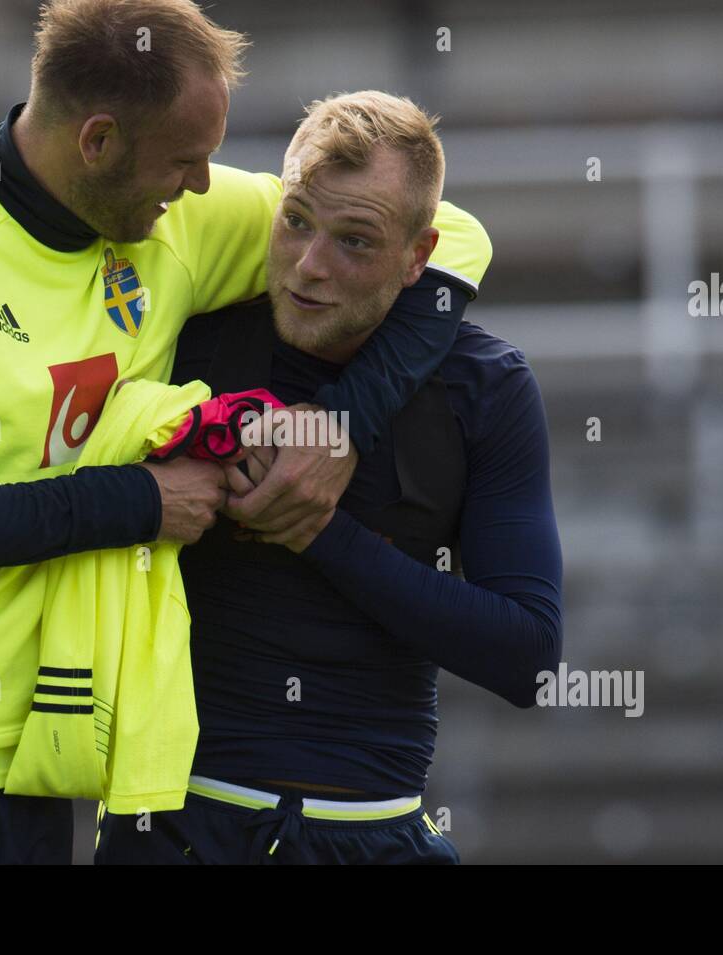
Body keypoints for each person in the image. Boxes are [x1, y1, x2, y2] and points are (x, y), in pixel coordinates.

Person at [0, 0, 490, 864]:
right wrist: (140, 501)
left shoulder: (171, 219)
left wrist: (342, 422)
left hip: (31, 770)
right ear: (96, 143)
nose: (205, 185)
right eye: (186, 160)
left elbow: (451, 238)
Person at [94, 91, 563, 865]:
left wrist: (321, 533)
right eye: (298, 221)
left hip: (381, 831)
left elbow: (529, 657)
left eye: (355, 241)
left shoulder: (486, 384)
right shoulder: (186, 340)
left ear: (420, 258)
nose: (310, 267)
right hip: (174, 828)